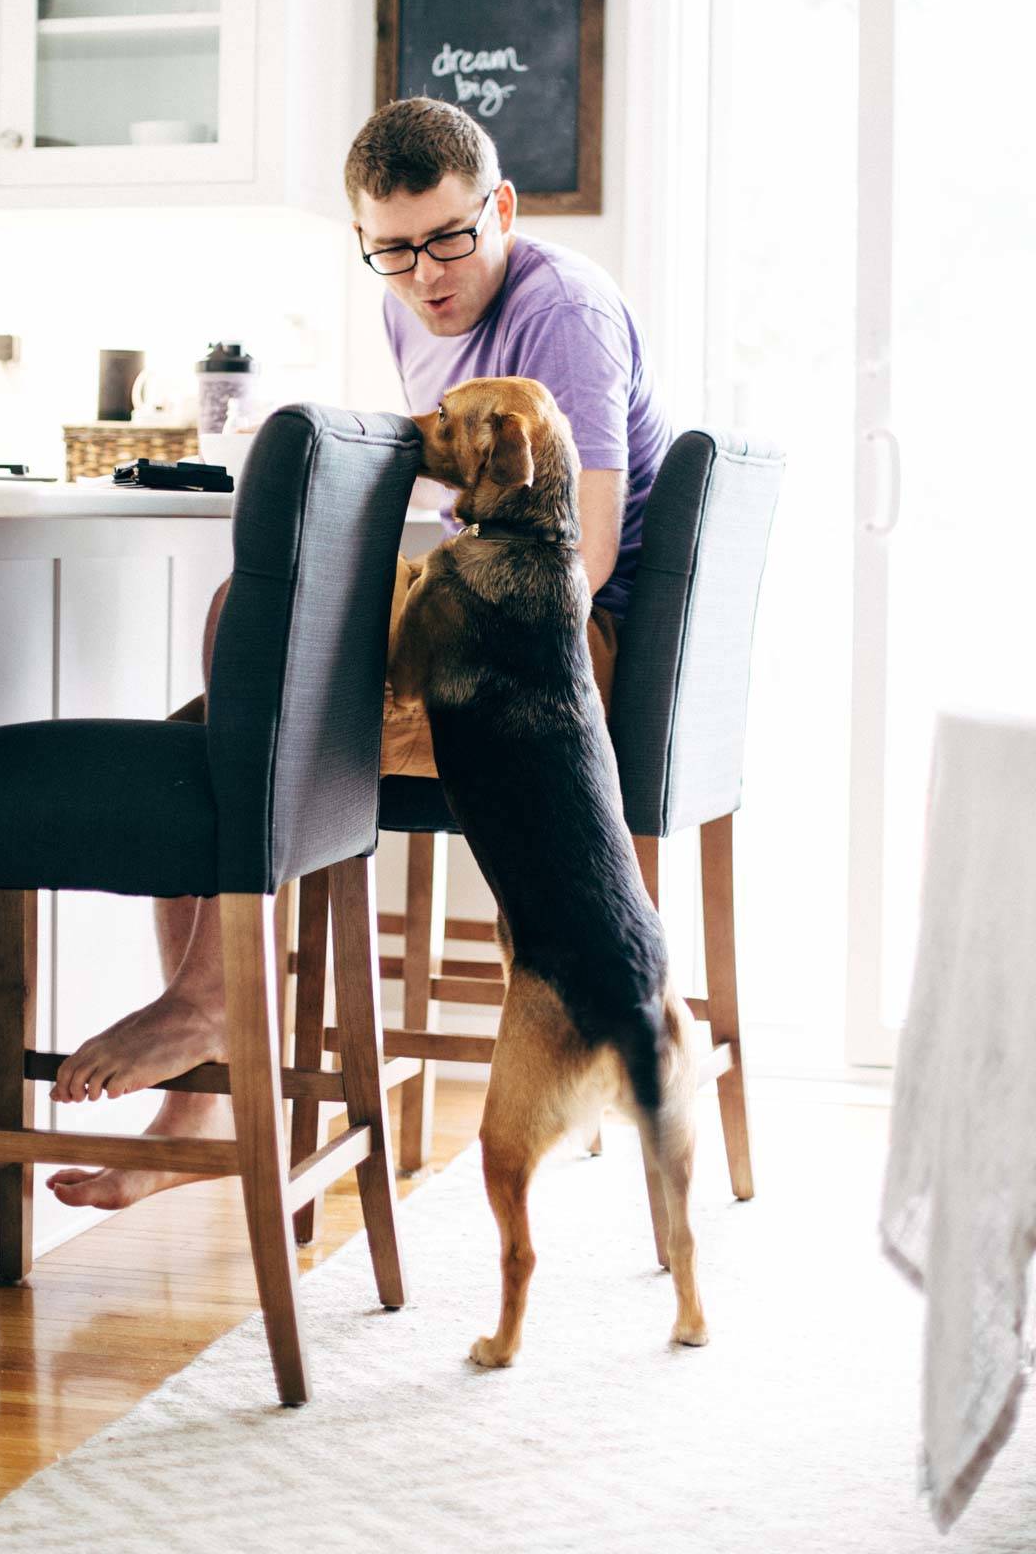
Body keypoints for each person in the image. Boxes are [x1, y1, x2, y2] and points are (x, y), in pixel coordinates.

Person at [44, 97, 672, 1210]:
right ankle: (204, 1057)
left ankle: (211, 1012)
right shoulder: (411, 309)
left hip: (568, 661)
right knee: (212, 729)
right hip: (500, 627)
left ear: (503, 209)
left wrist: (396, 645)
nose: (427, 274)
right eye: (393, 249)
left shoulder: (559, 313)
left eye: (449, 239)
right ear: (366, 240)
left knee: (255, 642)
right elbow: (454, 500)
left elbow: (587, 557)